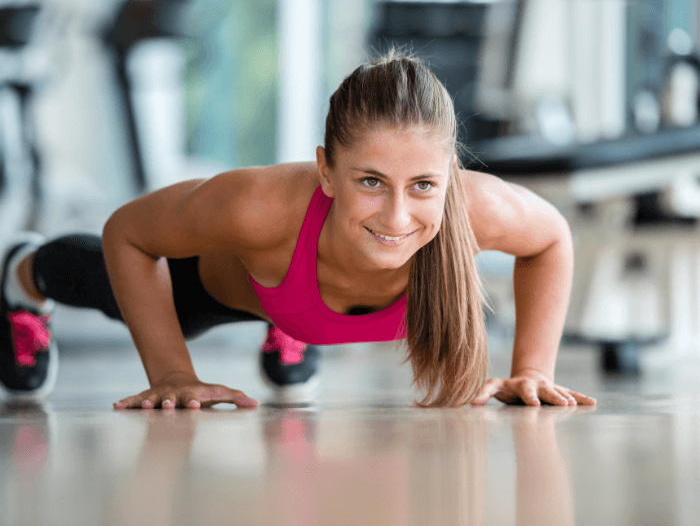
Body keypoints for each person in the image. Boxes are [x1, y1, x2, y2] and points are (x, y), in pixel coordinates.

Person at [0, 49, 596, 409]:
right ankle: (21, 274)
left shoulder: (476, 209)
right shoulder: (258, 208)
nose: (396, 217)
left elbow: (551, 239)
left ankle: (292, 331)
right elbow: (128, 231)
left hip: (300, 299)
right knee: (117, 291)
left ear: (449, 174)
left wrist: (535, 370)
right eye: (370, 181)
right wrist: (173, 374)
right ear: (326, 172)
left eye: (422, 186)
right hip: (220, 287)